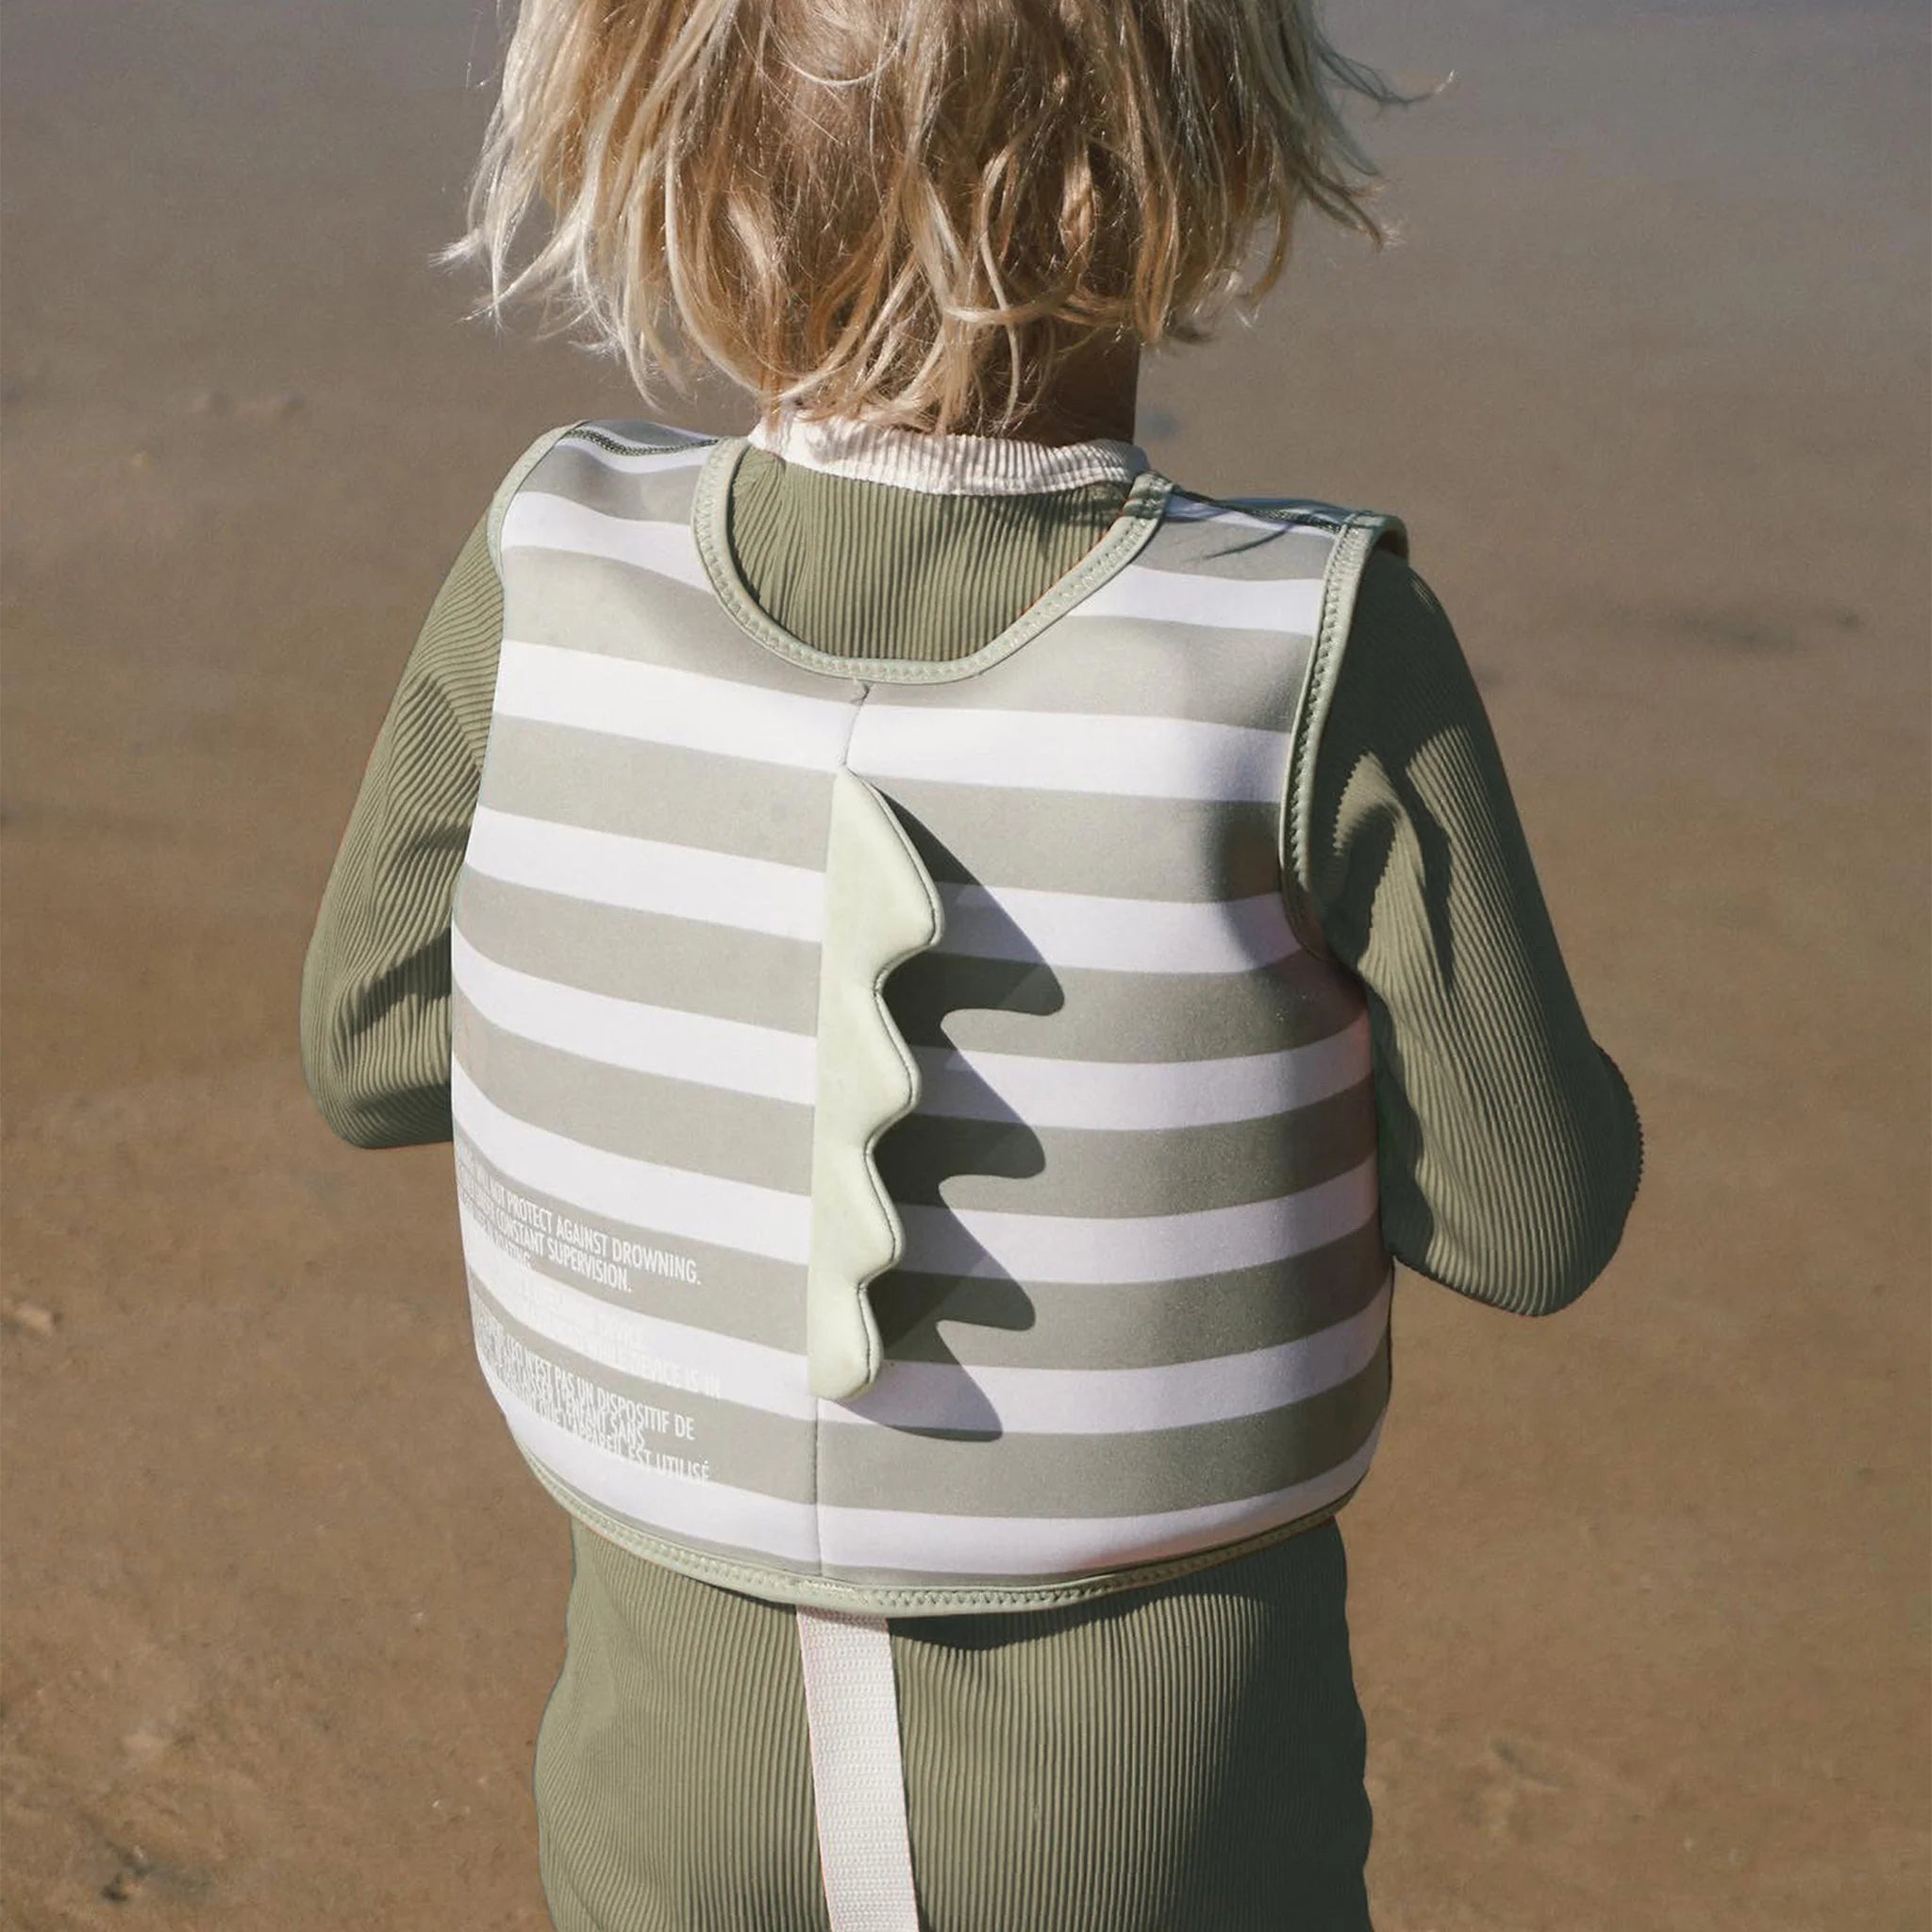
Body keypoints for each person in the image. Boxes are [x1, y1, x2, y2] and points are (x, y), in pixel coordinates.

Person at [299, 3, 1645, 1927]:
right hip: (1152, 1786)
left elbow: (365, 1043)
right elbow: (1530, 1215)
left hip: (680, 1758)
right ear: (1200, 150)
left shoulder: (551, 567)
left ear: (660, 152)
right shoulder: (1312, 643)